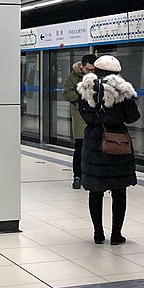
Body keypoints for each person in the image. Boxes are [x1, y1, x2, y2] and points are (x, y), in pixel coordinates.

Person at [77, 55, 140, 245]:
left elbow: (85, 116)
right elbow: (133, 117)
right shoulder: (123, 91)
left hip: (95, 142)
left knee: (95, 191)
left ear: (96, 70)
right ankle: (116, 235)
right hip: (118, 143)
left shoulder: (86, 89)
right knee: (119, 191)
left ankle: (98, 233)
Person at [63, 54, 97, 189]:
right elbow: (66, 94)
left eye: (92, 70)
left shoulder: (97, 77)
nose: (90, 72)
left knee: (95, 149)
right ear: (82, 66)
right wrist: (82, 93)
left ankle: (92, 175)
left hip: (96, 118)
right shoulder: (72, 78)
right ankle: (77, 176)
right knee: (80, 148)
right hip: (80, 117)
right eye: (88, 69)